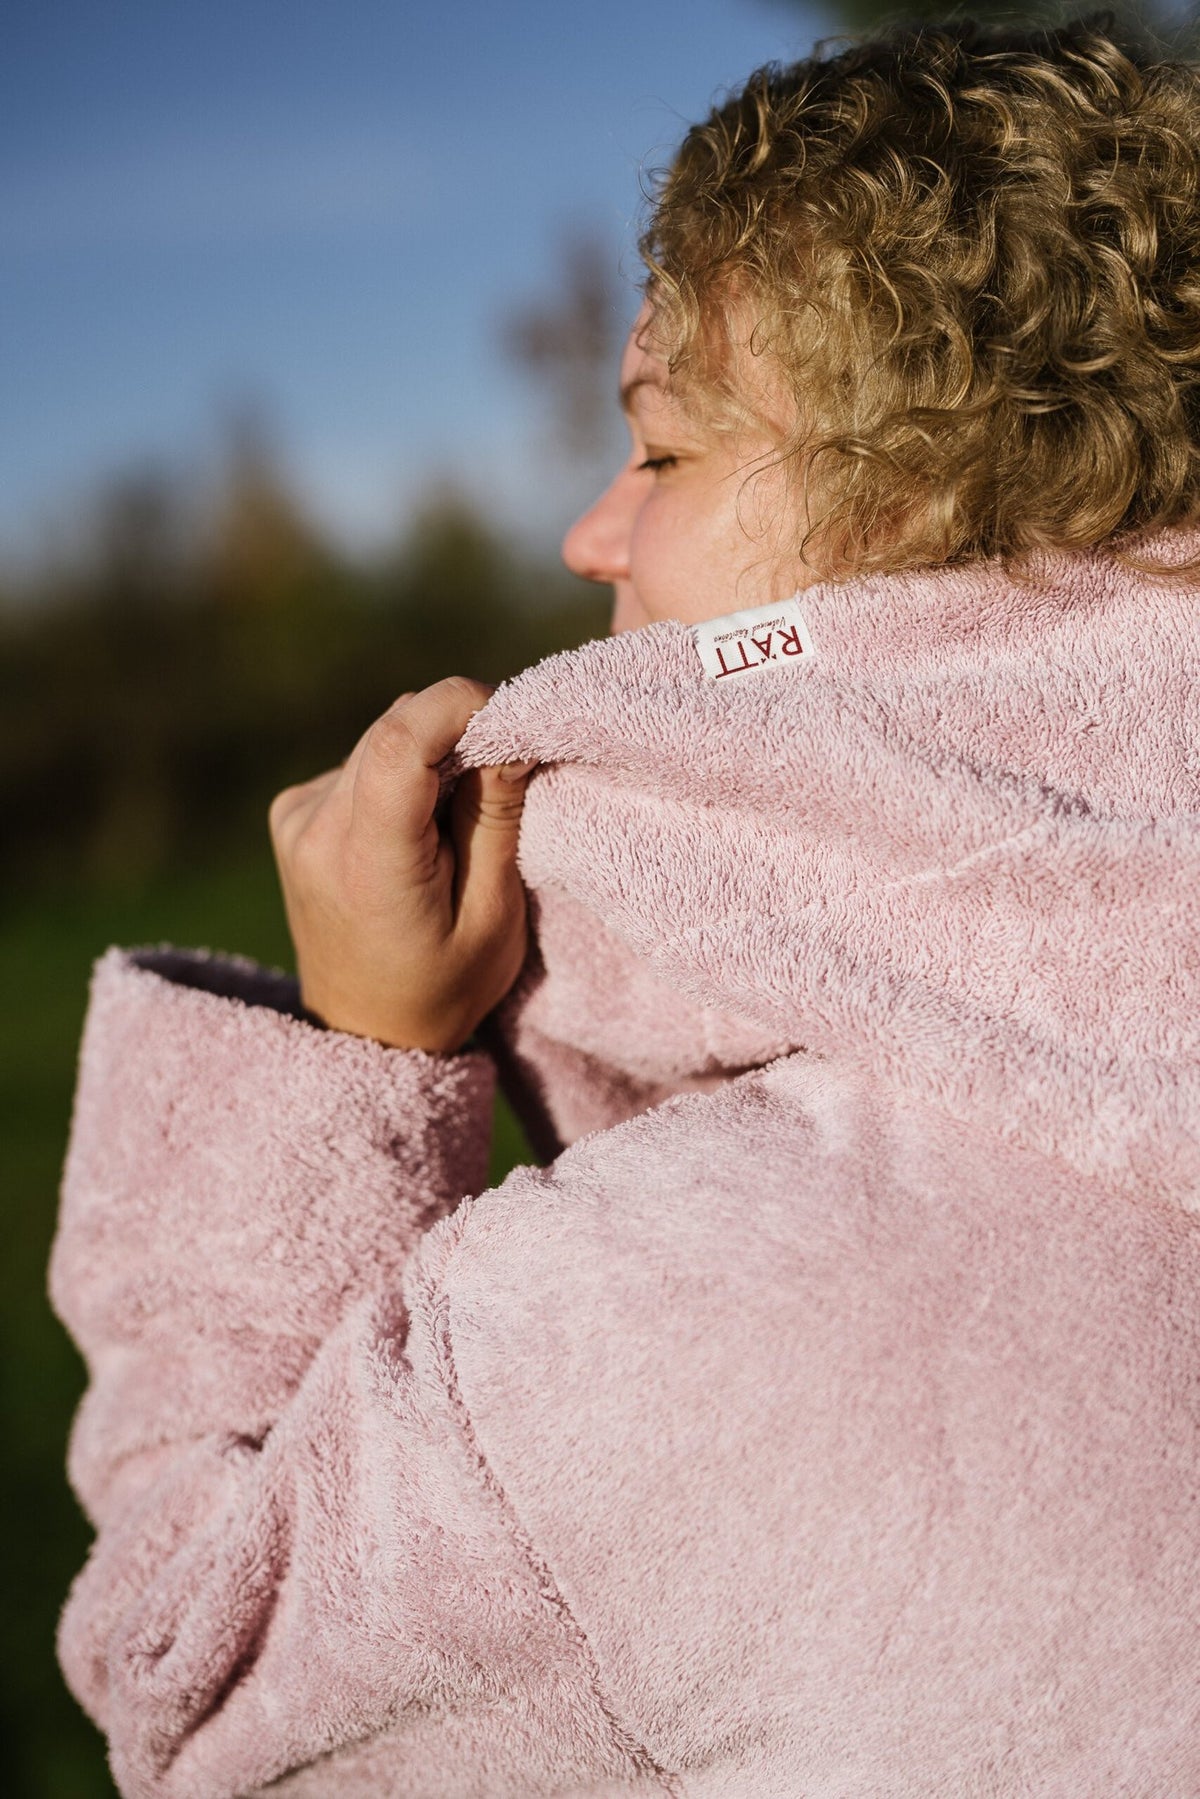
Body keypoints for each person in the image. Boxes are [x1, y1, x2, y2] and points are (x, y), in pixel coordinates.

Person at [49, 12, 1200, 1796]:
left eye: (660, 454)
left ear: (915, 522)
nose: (592, 537)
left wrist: (362, 1062)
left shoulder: (652, 1337)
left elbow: (199, 1698)